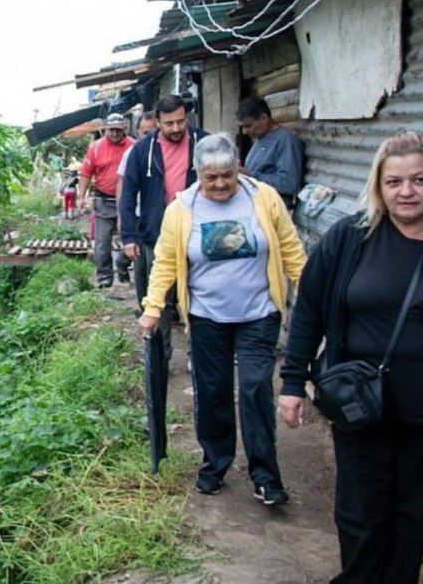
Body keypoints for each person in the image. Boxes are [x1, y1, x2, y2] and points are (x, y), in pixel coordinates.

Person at [279, 131, 423, 583]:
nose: (407, 191)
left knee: (413, 516)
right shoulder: (351, 237)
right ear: (378, 186)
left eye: (419, 180)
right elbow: (310, 311)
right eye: (394, 182)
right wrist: (291, 383)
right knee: (361, 512)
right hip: (362, 404)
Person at [140, 133, 306, 503]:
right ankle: (215, 463)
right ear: (197, 173)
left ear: (237, 169)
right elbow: (165, 262)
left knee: (254, 388)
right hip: (207, 317)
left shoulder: (264, 198)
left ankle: (265, 475)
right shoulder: (181, 209)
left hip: (258, 314)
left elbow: (290, 248)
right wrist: (153, 308)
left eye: (227, 175)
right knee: (212, 392)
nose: (219, 184)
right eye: (210, 176)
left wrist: (311, 291)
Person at [120, 95, 209, 350]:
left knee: (198, 298)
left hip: (198, 233)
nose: (176, 128)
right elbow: (128, 194)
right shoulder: (141, 150)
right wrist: (128, 236)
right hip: (155, 234)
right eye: (169, 123)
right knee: (157, 299)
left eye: (181, 121)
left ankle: (199, 355)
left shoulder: (204, 143)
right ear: (157, 121)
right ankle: (160, 357)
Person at [77, 113, 134, 287]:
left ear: (124, 128)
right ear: (105, 129)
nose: (115, 134)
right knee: (102, 244)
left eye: (118, 130)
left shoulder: (134, 146)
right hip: (104, 200)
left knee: (131, 239)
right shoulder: (95, 148)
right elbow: (86, 173)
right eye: (111, 130)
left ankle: (123, 263)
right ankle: (104, 278)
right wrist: (81, 196)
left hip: (128, 201)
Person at [117, 110, 158, 303]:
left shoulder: (166, 152)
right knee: (142, 268)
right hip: (139, 219)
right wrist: (124, 220)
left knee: (159, 268)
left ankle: (167, 308)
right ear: (137, 133)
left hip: (163, 219)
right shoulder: (133, 153)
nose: (148, 136)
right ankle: (145, 307)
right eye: (144, 132)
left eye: (152, 131)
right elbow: (124, 190)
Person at [237, 97, 304, 210]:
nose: (244, 132)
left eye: (248, 126)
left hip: (275, 210)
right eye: (242, 127)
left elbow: (288, 184)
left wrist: (251, 175)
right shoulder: (260, 138)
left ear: (264, 118)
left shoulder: (285, 141)